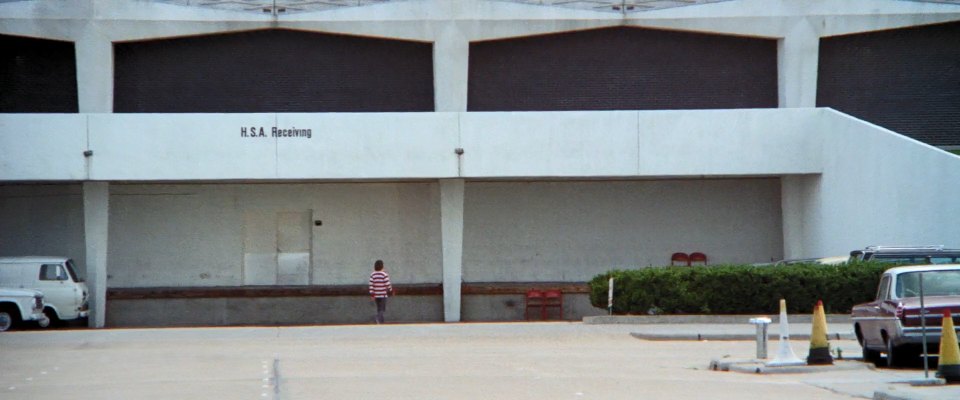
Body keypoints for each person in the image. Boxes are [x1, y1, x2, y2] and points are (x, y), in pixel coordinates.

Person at [368, 259, 393, 324]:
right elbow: (387, 284)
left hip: (376, 295)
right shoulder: (384, 274)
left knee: (379, 308)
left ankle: (381, 321)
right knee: (382, 308)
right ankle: (378, 318)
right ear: (382, 266)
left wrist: (372, 294)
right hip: (383, 294)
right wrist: (391, 290)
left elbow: (371, 285)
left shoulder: (372, 275)